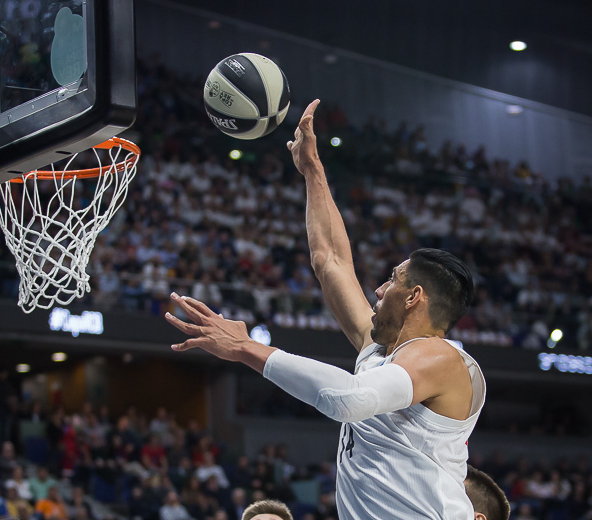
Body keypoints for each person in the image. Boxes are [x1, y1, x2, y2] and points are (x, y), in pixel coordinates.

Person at [166, 100, 485, 520]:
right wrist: (312, 171)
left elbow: (349, 400)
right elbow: (330, 260)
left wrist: (247, 349)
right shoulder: (379, 351)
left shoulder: (442, 358)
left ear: (414, 297)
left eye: (392, 279)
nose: (377, 287)